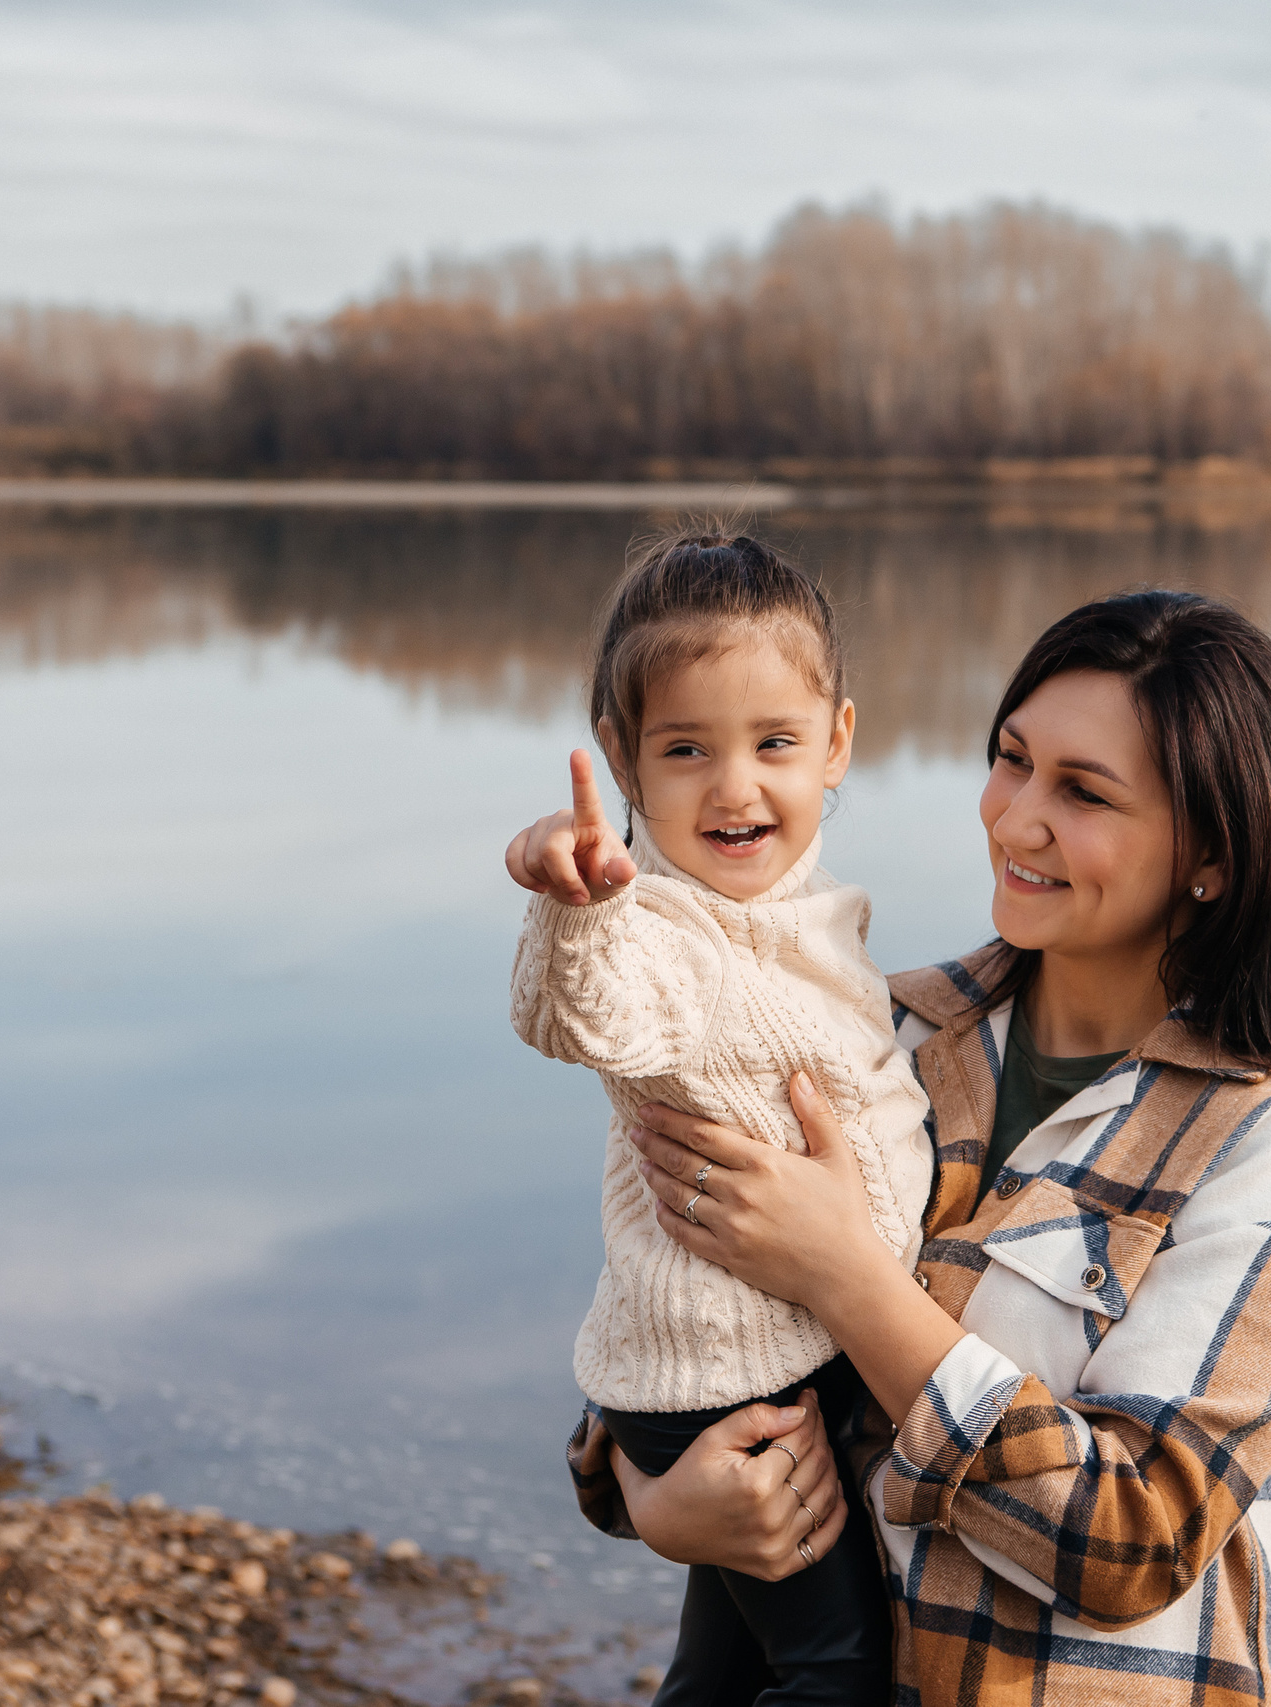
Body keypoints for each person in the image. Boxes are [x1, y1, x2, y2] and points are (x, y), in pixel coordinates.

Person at [584, 589, 1271, 1706]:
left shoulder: (1265, 1140)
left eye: (1083, 793)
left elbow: (1137, 1538)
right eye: (1011, 761)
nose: (1016, 821)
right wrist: (647, 1494)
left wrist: (845, 1276)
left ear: (1210, 851)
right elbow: (674, 1317)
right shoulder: (880, 1032)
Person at [504, 530, 927, 1706]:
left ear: (837, 741)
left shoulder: (812, 913)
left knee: (726, 1665)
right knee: (836, 1673)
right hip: (718, 1384)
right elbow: (591, 1017)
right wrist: (581, 903)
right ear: (623, 762)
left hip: (764, 1362)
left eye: (774, 744)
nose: (735, 788)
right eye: (686, 750)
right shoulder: (665, 931)